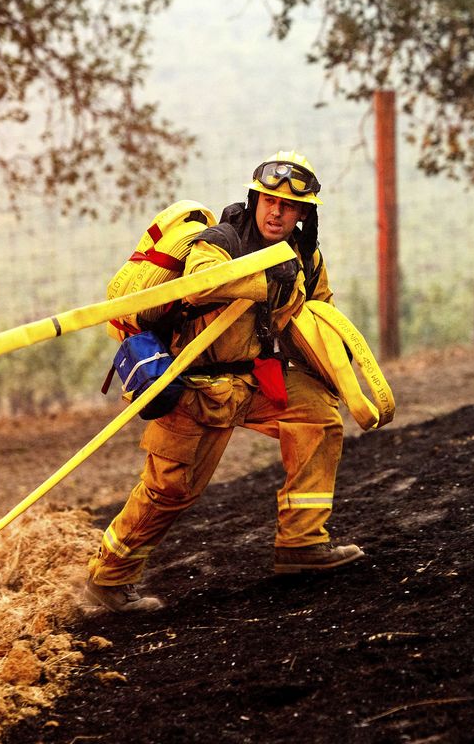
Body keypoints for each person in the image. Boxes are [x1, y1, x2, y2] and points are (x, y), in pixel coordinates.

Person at [84, 150, 364, 612]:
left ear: (302, 214)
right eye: (269, 201)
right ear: (255, 200)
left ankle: (301, 544)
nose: (276, 212)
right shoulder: (219, 241)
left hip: (254, 382)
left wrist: (339, 357)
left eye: (289, 206)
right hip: (194, 388)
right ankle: (109, 579)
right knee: (170, 491)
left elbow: (321, 310)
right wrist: (262, 278)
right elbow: (198, 285)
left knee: (317, 414)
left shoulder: (305, 257)